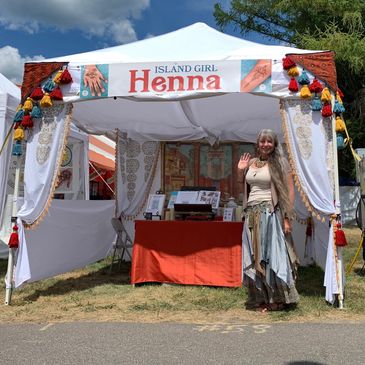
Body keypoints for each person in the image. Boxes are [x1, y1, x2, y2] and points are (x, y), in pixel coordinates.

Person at [237, 129, 299, 312]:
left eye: (269, 141)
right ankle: (260, 298)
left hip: (270, 214)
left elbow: (289, 191)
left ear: (274, 144)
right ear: (257, 144)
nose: (265, 144)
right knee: (256, 257)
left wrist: (287, 218)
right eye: (262, 141)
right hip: (251, 215)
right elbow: (242, 186)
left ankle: (277, 299)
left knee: (272, 256)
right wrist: (240, 171)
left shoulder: (281, 163)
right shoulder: (252, 163)